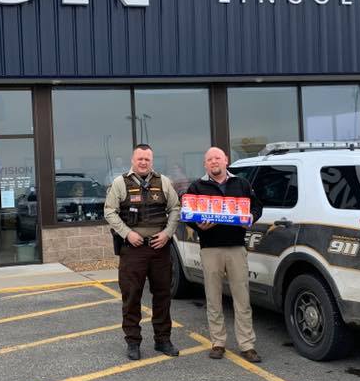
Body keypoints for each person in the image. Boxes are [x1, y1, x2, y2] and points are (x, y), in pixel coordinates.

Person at [186, 147, 264, 362]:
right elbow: (188, 214)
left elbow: (257, 206)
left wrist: (251, 217)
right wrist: (198, 225)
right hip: (210, 248)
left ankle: (247, 345)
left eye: (217, 158)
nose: (214, 161)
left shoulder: (241, 183)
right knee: (213, 298)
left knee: (242, 298)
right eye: (209, 159)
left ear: (226, 160)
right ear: (205, 164)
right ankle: (218, 343)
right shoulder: (196, 186)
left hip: (236, 247)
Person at [104, 143, 181, 361]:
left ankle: (163, 340)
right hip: (133, 250)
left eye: (147, 159)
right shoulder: (120, 183)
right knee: (131, 296)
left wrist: (167, 233)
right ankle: (133, 342)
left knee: (163, 295)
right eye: (140, 159)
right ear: (133, 160)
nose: (143, 162)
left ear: (152, 161)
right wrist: (127, 233)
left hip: (159, 248)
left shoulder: (163, 182)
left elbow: (175, 208)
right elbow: (109, 211)